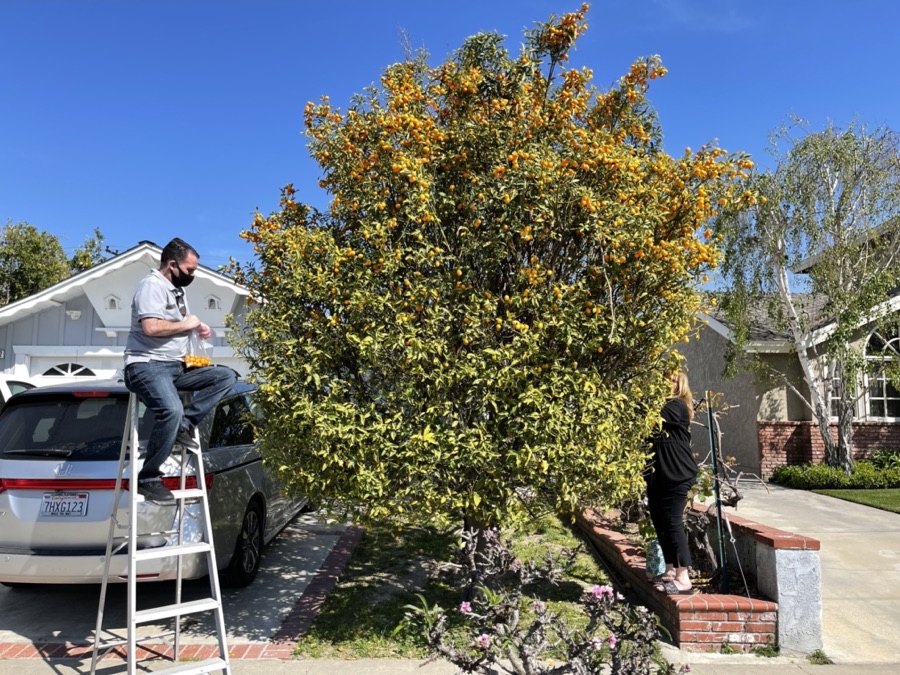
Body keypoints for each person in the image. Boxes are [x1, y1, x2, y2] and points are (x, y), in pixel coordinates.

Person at [124, 238, 237, 504]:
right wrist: (188, 325)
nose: (192, 275)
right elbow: (151, 327)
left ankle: (183, 425)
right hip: (146, 365)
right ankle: (149, 478)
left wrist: (199, 328)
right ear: (172, 265)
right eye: (189, 270)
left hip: (176, 365)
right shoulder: (151, 286)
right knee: (171, 410)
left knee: (226, 376)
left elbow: (179, 323)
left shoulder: (177, 289)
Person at [646, 371, 698, 594]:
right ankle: (669, 570)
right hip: (658, 474)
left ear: (680, 385)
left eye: (671, 379)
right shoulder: (662, 406)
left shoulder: (676, 406)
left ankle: (684, 578)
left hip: (677, 473)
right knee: (660, 520)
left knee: (673, 522)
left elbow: (646, 411)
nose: (665, 382)